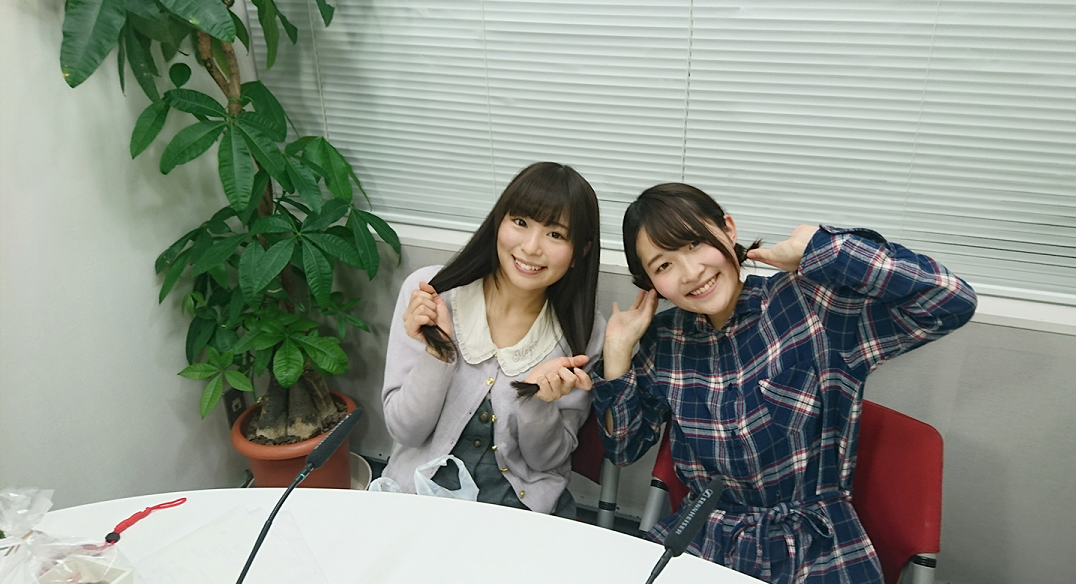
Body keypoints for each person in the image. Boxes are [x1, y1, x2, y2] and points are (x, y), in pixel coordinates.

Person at [593, 183, 977, 583]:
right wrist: (617, 352)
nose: (691, 273)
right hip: (707, 540)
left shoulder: (812, 304)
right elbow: (623, 448)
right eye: (663, 266)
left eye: (694, 244)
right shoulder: (665, 340)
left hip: (815, 547)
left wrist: (821, 248)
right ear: (650, 283)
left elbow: (950, 301)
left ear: (728, 229)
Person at [380, 162, 604, 518]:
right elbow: (405, 431)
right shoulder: (431, 294)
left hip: (520, 512)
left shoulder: (584, 330)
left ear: (580, 251)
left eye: (555, 234)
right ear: (499, 221)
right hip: (421, 498)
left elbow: (547, 461)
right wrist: (439, 352)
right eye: (521, 222)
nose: (531, 247)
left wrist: (538, 403)